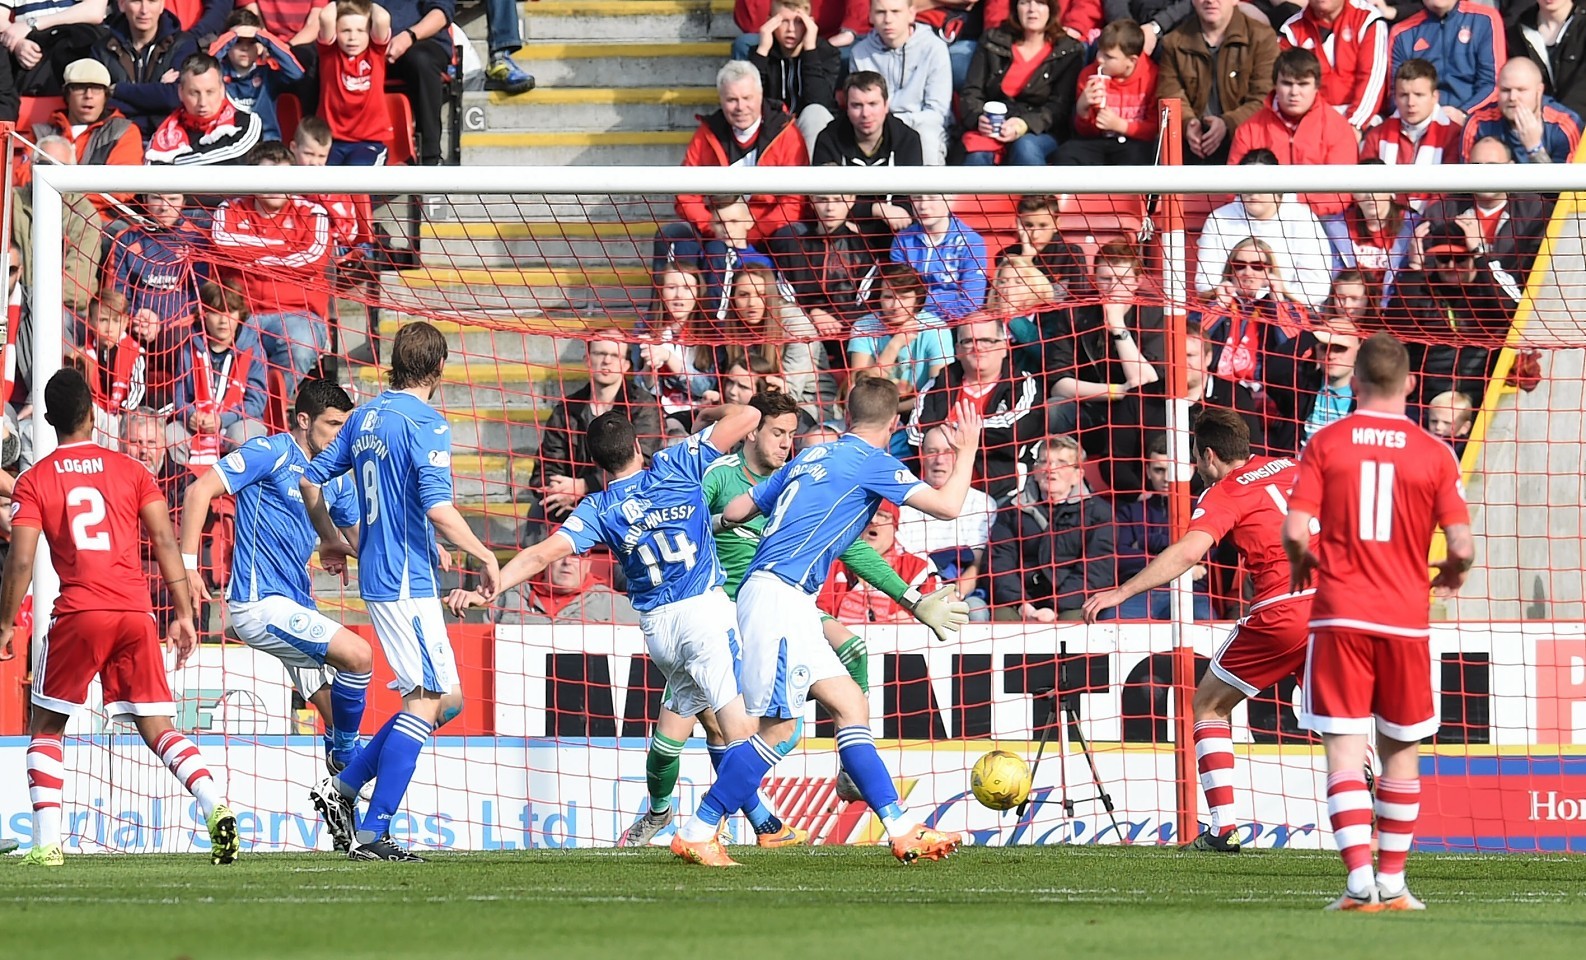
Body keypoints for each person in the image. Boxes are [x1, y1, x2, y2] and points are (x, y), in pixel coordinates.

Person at [616, 391, 966, 847]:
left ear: (848, 414)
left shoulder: (812, 456)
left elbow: (741, 510)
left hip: (783, 598)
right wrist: (970, 448)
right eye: (777, 432)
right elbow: (949, 506)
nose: (784, 441)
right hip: (772, 599)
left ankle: (900, 828)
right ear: (892, 427)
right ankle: (699, 828)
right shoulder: (869, 461)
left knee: (848, 704)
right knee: (778, 732)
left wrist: (721, 527)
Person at [453, 402, 813, 846]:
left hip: (659, 630)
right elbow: (749, 417)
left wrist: (487, 588)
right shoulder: (674, 464)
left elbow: (539, 555)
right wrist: (703, 414)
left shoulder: (598, 508)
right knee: (742, 733)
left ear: (597, 465)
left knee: (692, 728)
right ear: (640, 446)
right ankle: (702, 829)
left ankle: (755, 824)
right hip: (704, 613)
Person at [0, 368, 239, 867]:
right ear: (93, 413)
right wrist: (183, 612)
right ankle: (215, 805)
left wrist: (5, 623)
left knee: (45, 725)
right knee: (158, 727)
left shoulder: (34, 479)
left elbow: (21, 560)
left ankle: (47, 845)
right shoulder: (132, 470)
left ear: (47, 420)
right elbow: (167, 542)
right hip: (135, 612)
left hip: (80, 612)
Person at [1282, 331, 1475, 911]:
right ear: (1413, 383)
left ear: (1356, 383)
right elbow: (1462, 545)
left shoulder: (1327, 442)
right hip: (1405, 618)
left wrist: (1302, 565)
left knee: (1344, 748)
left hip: (1339, 614)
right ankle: (1393, 883)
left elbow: (1294, 531)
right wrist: (1450, 574)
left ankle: (1357, 882)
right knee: (1401, 748)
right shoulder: (1434, 452)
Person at [300, 321, 502, 862]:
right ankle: (372, 831)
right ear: (439, 370)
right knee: (427, 700)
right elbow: (438, 507)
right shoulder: (427, 422)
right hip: (404, 580)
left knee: (447, 702)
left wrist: (332, 539)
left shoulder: (365, 415)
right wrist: (484, 554)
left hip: (387, 571)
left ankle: (341, 789)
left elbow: (311, 476)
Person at [1084, 409, 1316, 851]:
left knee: (1208, 705)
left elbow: (1190, 551)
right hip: (1339, 603)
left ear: (1208, 455)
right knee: (1333, 714)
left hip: (1283, 608)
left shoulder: (1223, 491)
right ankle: (1370, 781)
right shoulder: (1294, 465)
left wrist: (1121, 593)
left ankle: (1223, 829)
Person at [177, 378, 372, 805]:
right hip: (258, 603)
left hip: (295, 605)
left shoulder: (334, 479)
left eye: (345, 427)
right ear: (304, 420)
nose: (340, 437)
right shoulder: (270, 452)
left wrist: (417, 555)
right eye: (332, 425)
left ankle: (343, 811)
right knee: (359, 656)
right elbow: (198, 491)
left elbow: (362, 541)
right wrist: (188, 566)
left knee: (341, 718)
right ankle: (346, 764)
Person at [208, 141, 332, 392]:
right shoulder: (230, 209)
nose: (276, 185)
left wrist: (251, 257)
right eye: (268, 176)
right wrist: (284, 249)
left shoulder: (313, 214)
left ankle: (268, 408)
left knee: (300, 344)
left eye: (283, 177)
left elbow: (312, 259)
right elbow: (222, 244)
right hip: (240, 312)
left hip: (297, 314)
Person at [669, 60, 806, 259]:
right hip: (718, 231)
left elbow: (795, 200)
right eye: (732, 99)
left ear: (760, 96)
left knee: (792, 236)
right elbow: (686, 195)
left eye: (747, 98)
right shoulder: (706, 134)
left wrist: (751, 233)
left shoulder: (786, 133)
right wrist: (714, 227)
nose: (740, 107)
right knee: (674, 236)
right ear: (721, 100)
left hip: (770, 231)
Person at [1382, 219, 1519, 410]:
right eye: (1444, 258)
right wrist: (1414, 266)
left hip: (1485, 400)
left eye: (1461, 258)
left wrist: (1480, 256)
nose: (1452, 265)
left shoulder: (1490, 279)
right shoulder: (1420, 287)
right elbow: (1397, 328)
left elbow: (1511, 312)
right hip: (1430, 403)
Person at [907, 315, 1042, 504]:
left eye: (986, 340)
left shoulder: (1023, 384)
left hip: (1004, 496)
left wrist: (949, 435)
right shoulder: (939, 384)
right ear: (958, 350)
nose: (977, 348)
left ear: (1004, 347)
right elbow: (915, 436)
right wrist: (969, 439)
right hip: (936, 493)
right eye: (968, 341)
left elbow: (1014, 434)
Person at [534, 332, 662, 523]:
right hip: (574, 505)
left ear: (626, 365)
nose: (606, 361)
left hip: (628, 502)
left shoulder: (643, 406)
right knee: (539, 511)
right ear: (587, 360)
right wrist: (561, 491)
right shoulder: (566, 410)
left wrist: (586, 485)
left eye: (615, 356)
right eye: (600, 354)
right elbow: (545, 469)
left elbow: (642, 460)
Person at [988, 434, 1115, 621]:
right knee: (1002, 620)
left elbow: (1097, 571)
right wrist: (1022, 605)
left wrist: (1055, 607)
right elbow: (999, 563)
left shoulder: (1099, 513)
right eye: (1044, 462)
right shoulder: (1012, 509)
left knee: (1076, 624)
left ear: (1078, 474)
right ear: (1035, 469)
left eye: (1061, 463)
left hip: (1073, 601)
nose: (1051, 470)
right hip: (1019, 600)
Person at [1228, 47, 1358, 224]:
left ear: (1316, 86)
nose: (1294, 92)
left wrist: (1294, 207)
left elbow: (1341, 192)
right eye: (1287, 83)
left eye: (1303, 84)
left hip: (1321, 221)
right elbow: (1232, 188)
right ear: (1275, 84)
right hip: (1260, 220)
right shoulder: (1249, 129)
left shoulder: (1338, 127)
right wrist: (1273, 210)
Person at [1194, 155, 1337, 308]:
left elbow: (1317, 290)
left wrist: (1273, 297)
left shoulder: (1302, 219)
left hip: (1291, 315)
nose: (1253, 193)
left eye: (1260, 185)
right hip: (1231, 312)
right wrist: (1239, 298)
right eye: (1246, 185)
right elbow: (1205, 284)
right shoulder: (1219, 219)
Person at [956, 0, 1084, 167]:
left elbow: (1059, 107)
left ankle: (1036, 194)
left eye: (1040, 3)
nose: (1032, 9)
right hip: (993, 126)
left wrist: (1023, 125)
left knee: (1026, 147)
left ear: (1051, 9)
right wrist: (979, 117)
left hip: (1040, 129)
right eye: (1024, 2)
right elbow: (972, 92)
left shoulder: (1069, 50)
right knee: (978, 155)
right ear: (1016, 8)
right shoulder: (992, 40)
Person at [1155, 0, 1279, 164]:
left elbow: (1265, 98)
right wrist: (1188, 124)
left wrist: (1227, 124)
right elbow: (1170, 93)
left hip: (1247, 144)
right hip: (1193, 146)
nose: (1210, 1)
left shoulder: (1262, 38)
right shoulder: (1174, 42)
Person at [897, 424, 997, 622]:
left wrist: (956, 595)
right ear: (921, 455)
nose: (939, 460)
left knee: (976, 611)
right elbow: (902, 562)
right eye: (932, 452)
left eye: (947, 452)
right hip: (913, 589)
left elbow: (976, 563)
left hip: (961, 593)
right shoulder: (902, 502)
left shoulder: (983, 503)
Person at [25, 58, 142, 220]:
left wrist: (67, 198)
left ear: (105, 95)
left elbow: (121, 188)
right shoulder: (41, 133)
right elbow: (25, 178)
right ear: (67, 93)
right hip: (44, 216)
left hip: (102, 221)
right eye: (80, 88)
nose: (88, 95)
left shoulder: (123, 131)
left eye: (96, 89)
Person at [1421, 136, 1550, 278]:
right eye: (1476, 166)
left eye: (1492, 166)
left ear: (1511, 168)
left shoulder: (1537, 212)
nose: (1483, 173)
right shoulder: (1441, 212)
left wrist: (1480, 251)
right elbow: (1428, 270)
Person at [169, 281, 268, 465]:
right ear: (203, 315)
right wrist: (190, 415)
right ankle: (182, 488)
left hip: (237, 421)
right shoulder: (189, 348)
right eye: (216, 312)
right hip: (198, 422)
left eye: (230, 312)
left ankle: (240, 491)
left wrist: (223, 420)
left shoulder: (254, 350)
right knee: (170, 435)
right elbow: (179, 396)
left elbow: (256, 405)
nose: (223, 320)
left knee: (241, 436)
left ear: (240, 315)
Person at [850, 0, 953, 165]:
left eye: (895, 11)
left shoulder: (934, 48)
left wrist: (897, 124)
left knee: (926, 137)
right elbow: (860, 105)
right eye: (880, 12)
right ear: (870, 15)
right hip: (874, 127)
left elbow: (937, 113)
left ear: (911, 13)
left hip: (921, 125)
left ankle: (928, 190)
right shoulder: (860, 53)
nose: (888, 19)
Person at [1055, 18, 1160, 166]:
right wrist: (1082, 110)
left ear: (1132, 61)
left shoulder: (1152, 77)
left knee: (1137, 157)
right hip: (1097, 141)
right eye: (1099, 52)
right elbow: (1084, 132)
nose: (1100, 60)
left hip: (1135, 143)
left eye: (1109, 57)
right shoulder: (1088, 75)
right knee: (1067, 153)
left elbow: (1155, 129)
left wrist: (1120, 125)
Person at [819, 500, 943, 622]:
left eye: (883, 516)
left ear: (895, 527)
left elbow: (941, 615)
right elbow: (817, 611)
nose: (874, 520)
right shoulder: (833, 562)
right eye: (868, 514)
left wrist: (911, 622)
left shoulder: (918, 568)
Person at [1278, 0, 1390, 131]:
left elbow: (1373, 78)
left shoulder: (1367, 18)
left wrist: (1354, 125)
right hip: (1311, 122)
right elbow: (1283, 85)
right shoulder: (1291, 29)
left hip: (1363, 121)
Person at [747, 0, 842, 154]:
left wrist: (810, 51)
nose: (791, 29)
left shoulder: (826, 53)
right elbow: (749, 99)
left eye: (798, 22)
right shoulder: (760, 54)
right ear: (770, 22)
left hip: (811, 130)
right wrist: (763, 50)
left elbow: (820, 102)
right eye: (783, 21)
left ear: (809, 24)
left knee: (815, 113)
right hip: (773, 128)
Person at [93, 0, 200, 137]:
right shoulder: (102, 48)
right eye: (136, 1)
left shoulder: (183, 44)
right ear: (122, 5)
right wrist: (156, 92)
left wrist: (119, 90)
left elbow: (174, 97)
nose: (144, 10)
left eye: (152, 1)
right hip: (116, 137)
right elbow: (98, 103)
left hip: (169, 137)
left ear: (162, 5)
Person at [1388, 0, 1504, 124]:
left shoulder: (1485, 19)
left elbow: (1493, 84)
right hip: (1421, 124)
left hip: (1474, 122)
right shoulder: (1402, 33)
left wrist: (1464, 114)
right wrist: (1430, 118)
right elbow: (1395, 93)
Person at [144, 53, 264, 165]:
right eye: (194, 93)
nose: (202, 102)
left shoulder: (245, 123)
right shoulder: (163, 135)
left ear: (222, 90)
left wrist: (172, 165)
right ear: (181, 92)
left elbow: (232, 156)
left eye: (210, 92)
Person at [1459, 56, 1583, 163]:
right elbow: (1465, 184)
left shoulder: (1564, 126)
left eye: (1521, 90)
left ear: (1539, 91)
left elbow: (1566, 188)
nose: (1512, 98)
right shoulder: (1478, 124)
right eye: (1505, 90)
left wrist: (1535, 149)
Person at [209, 9, 305, 143]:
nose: (244, 48)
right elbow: (202, 68)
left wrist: (266, 38)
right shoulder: (217, 74)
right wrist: (230, 36)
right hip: (230, 145)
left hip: (266, 142)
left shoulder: (268, 74)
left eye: (252, 42)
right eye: (237, 42)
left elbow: (297, 73)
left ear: (260, 46)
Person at [317, 0, 394, 166]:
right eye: (345, 31)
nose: (353, 37)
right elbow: (325, 16)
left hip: (368, 141)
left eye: (360, 31)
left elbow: (382, 18)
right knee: (326, 183)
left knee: (358, 176)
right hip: (333, 141)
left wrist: (366, 5)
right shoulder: (330, 54)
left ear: (369, 33)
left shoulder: (375, 52)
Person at [888, 194, 987, 321]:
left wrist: (926, 318)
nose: (923, 206)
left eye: (932, 198)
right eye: (917, 198)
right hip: (908, 321)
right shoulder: (902, 240)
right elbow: (901, 293)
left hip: (953, 323)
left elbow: (971, 302)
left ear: (950, 200)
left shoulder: (972, 242)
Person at [494, 547, 639, 625]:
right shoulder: (509, 598)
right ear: (545, 562)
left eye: (576, 555)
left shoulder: (615, 604)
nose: (567, 562)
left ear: (588, 564)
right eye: (558, 554)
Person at [1506, 0, 1586, 121]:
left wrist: (1560, 124)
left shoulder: (1582, 27)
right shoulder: (1517, 30)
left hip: (1577, 126)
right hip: (1532, 124)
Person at [1297, 314, 1362, 446]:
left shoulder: (1369, 397)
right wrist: (1311, 336)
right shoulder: (1302, 387)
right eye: (1324, 347)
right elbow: (1274, 370)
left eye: (1340, 348)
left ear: (1358, 350)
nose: (1331, 355)